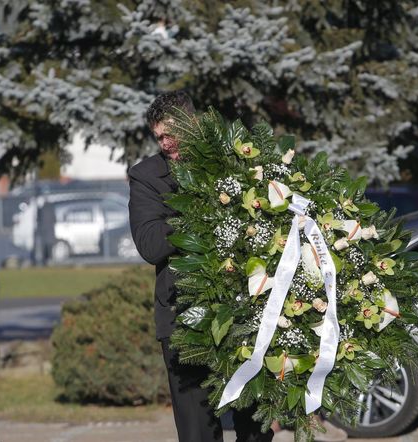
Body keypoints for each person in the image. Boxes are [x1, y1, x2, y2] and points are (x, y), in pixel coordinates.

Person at [127, 91, 274, 442]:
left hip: (246, 315)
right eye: (158, 137)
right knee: (197, 432)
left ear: (193, 124)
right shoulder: (146, 177)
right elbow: (150, 245)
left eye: (170, 134)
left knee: (256, 429)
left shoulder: (236, 158)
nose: (165, 144)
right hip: (182, 319)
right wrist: (200, 208)